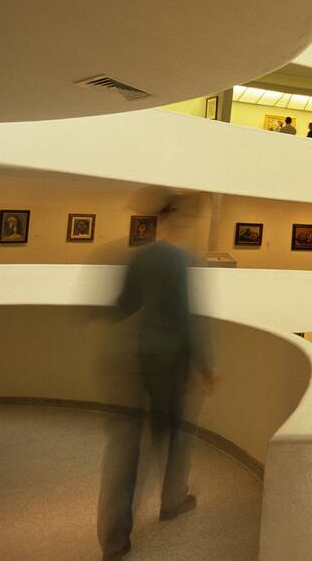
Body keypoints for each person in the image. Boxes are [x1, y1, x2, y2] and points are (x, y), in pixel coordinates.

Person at [98, 228, 214, 559]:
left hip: (140, 357)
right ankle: (173, 501)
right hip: (171, 362)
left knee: (130, 448)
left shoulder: (141, 256)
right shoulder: (183, 260)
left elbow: (125, 304)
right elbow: (189, 317)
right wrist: (205, 364)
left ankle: (115, 538)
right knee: (175, 436)